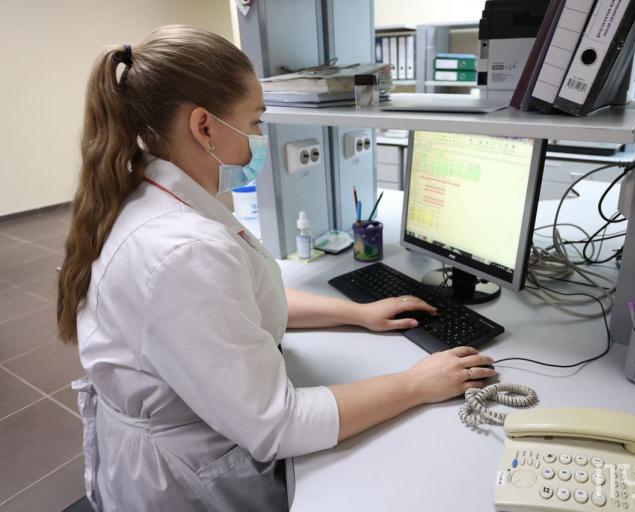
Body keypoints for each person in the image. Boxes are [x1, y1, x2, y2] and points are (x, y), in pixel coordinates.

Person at [57, 25, 495, 512]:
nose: (259, 137)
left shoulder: (153, 197)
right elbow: (277, 425)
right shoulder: (180, 251)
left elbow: (238, 304)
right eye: (255, 121)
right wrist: (415, 384)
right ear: (204, 127)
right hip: (184, 476)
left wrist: (358, 314)